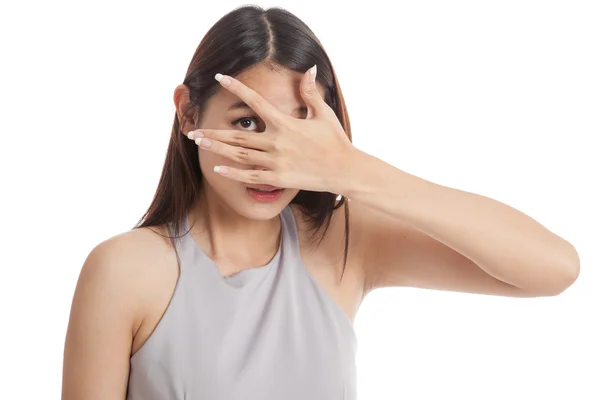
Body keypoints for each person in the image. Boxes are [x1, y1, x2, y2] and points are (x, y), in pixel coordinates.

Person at [61, 5, 580, 400]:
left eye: (298, 127)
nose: (277, 158)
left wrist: (350, 170)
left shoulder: (341, 245)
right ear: (189, 114)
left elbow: (553, 268)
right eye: (247, 122)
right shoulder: (125, 270)